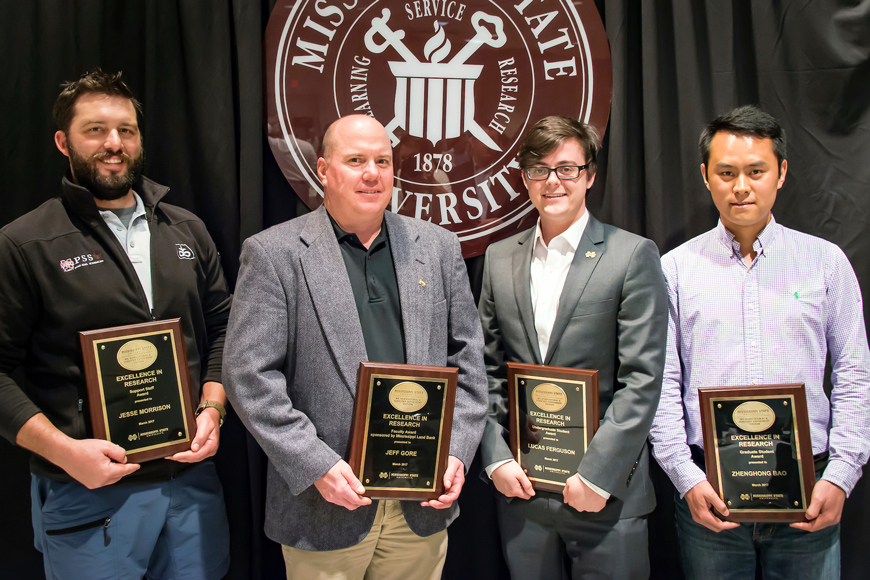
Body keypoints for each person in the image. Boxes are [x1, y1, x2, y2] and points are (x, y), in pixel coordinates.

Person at [224, 114, 487, 580]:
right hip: (325, 505)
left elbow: (467, 363)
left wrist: (457, 453)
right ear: (324, 170)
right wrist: (315, 464)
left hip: (420, 507)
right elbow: (250, 378)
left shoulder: (440, 247)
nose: (372, 173)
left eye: (383, 161)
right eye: (356, 160)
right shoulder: (274, 254)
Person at [0, 69, 232, 580]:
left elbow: (224, 332)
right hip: (86, 494)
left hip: (189, 487)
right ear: (64, 142)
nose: (114, 144)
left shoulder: (187, 229)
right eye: (96, 130)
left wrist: (213, 408)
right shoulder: (25, 243)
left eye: (126, 130)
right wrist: (65, 453)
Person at [649, 104, 870, 579]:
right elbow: (662, 381)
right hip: (709, 495)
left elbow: (853, 372)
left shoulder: (826, 263)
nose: (741, 186)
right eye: (727, 172)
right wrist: (685, 478)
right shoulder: (674, 271)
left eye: (756, 171)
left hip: (810, 492)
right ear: (706, 176)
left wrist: (843, 474)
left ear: (782, 173)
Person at [478, 115, 668, 579]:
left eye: (566, 168)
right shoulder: (499, 258)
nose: (552, 181)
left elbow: (642, 379)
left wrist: (598, 475)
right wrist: (495, 456)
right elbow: (485, 369)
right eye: (539, 169)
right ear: (524, 178)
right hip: (522, 493)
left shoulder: (631, 255)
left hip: (605, 498)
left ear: (590, 175)